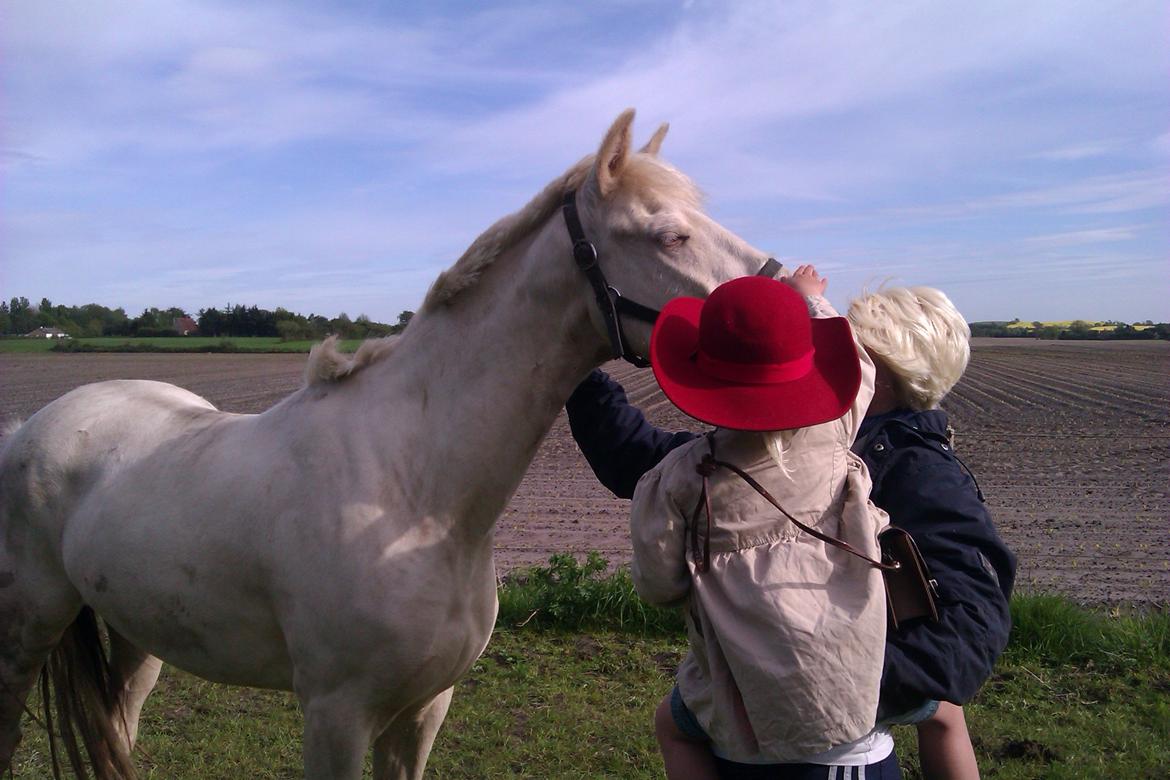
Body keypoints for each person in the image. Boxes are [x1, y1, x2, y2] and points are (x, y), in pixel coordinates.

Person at [566, 270, 1016, 779]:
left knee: (676, 724)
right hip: (824, 680)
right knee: (945, 719)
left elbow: (968, 634)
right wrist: (579, 379)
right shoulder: (823, 438)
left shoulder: (917, 472)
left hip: (839, 693)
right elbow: (636, 454)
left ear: (885, 377)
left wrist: (820, 678)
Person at [624, 267, 899, 777]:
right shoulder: (836, 435)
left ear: (702, 379)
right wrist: (811, 302)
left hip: (746, 732)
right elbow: (859, 365)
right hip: (855, 720)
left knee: (673, 724)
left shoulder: (682, 478)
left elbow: (658, 587)